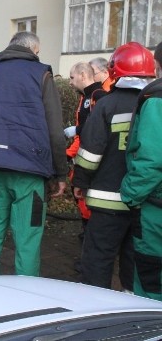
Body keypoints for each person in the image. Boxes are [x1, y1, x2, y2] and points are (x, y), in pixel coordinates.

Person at [0, 31, 67, 276]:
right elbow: (55, 129)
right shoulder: (41, 73)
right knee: (28, 237)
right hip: (30, 171)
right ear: (34, 50)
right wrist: (61, 173)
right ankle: (26, 297)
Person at [73, 42, 156, 292]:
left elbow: (90, 153)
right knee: (136, 262)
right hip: (145, 204)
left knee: (98, 260)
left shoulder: (107, 105)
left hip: (107, 202)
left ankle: (95, 310)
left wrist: (80, 182)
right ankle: (131, 308)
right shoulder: (156, 105)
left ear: (114, 71)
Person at [121, 41, 162, 301]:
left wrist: (130, 195)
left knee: (151, 284)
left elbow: (151, 159)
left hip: (155, 209)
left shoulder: (156, 99)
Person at [64, 62, 107, 238]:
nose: (70, 82)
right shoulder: (86, 97)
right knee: (83, 205)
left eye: (72, 77)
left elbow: (98, 128)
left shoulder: (98, 96)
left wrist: (78, 130)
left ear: (83, 75)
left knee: (88, 206)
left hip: (93, 162)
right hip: (84, 158)